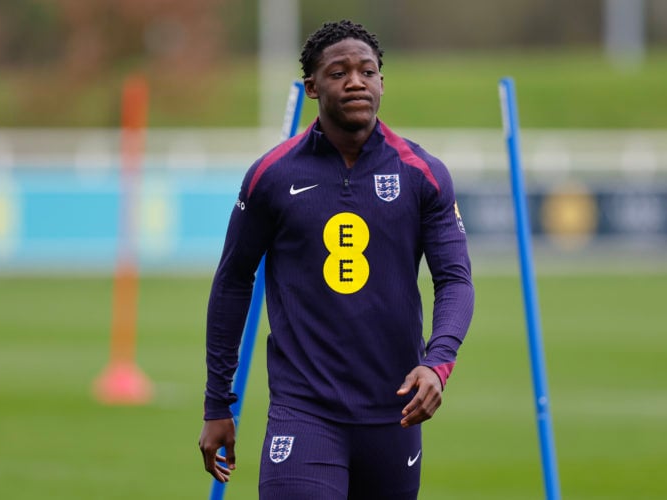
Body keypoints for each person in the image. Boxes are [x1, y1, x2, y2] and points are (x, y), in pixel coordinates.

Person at [198, 19, 475, 499]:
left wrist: (438, 362)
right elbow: (233, 282)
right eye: (338, 72)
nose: (355, 82)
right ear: (311, 87)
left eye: (367, 71)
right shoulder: (271, 175)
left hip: (395, 410)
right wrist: (216, 403)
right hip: (303, 410)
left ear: (382, 83)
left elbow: (454, 279)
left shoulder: (423, 174)